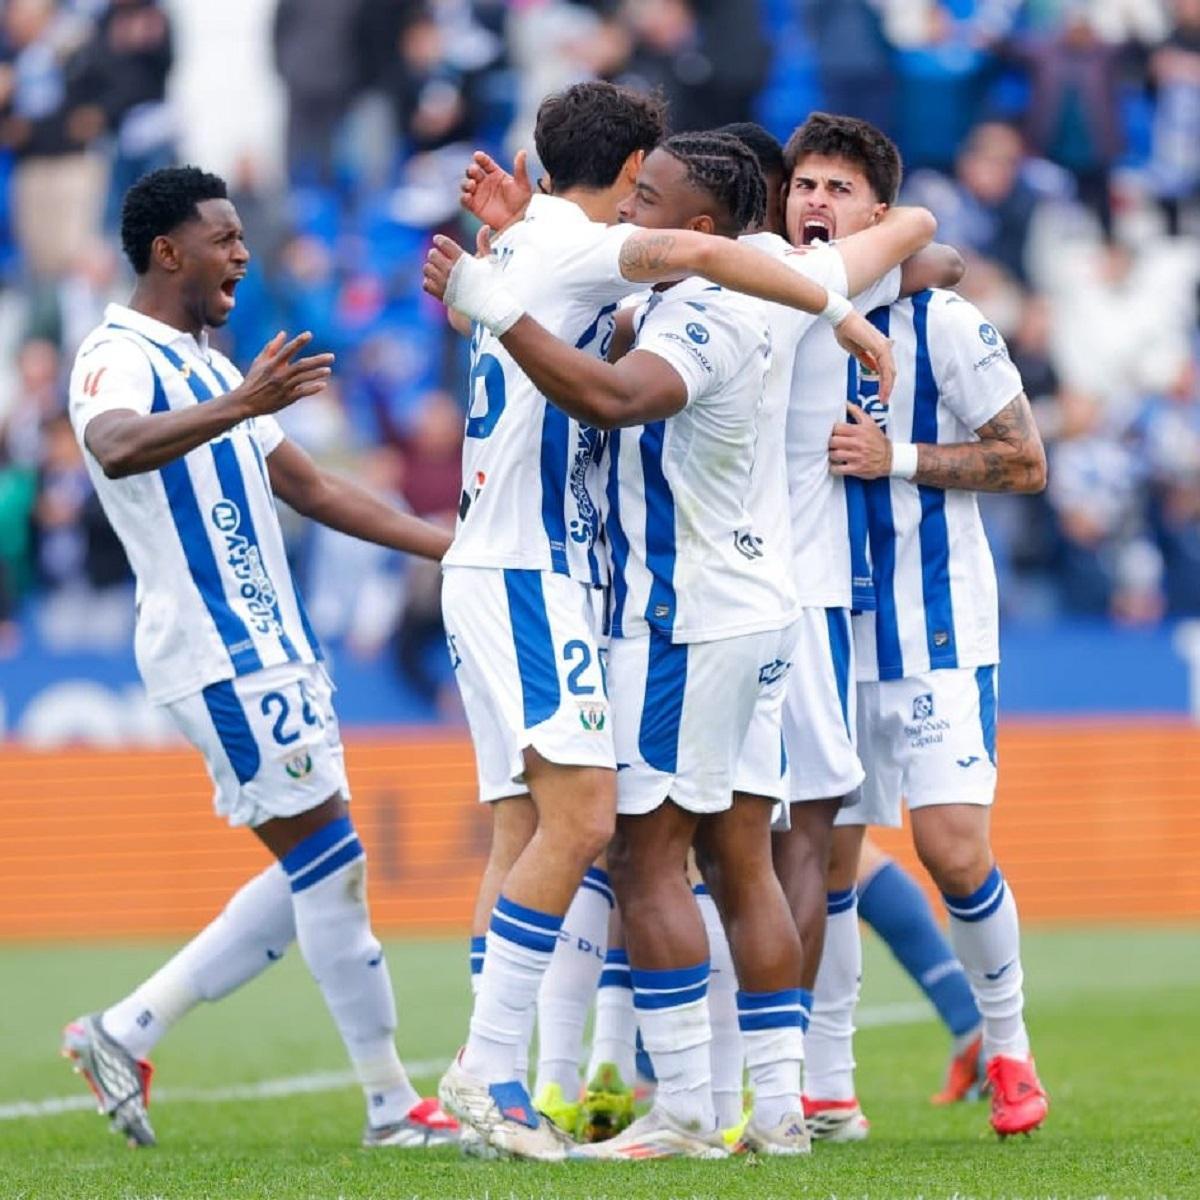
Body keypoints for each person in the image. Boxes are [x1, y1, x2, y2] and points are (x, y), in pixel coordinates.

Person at [429, 81, 893, 1163]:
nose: (639, 211)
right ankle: (733, 1100)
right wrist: (832, 302)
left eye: (659, 200)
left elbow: (623, 389)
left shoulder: (657, 283)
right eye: (635, 188)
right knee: (655, 842)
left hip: (676, 607)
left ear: (687, 218)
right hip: (609, 583)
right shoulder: (595, 258)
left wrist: (496, 281)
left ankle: (645, 1095)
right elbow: (698, 267)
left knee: (622, 847)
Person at [59, 165, 457, 1151]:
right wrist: (240, 404)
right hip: (217, 649)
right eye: (224, 238)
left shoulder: (207, 366)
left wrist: (453, 548)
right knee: (333, 865)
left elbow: (317, 490)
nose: (243, 253)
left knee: (322, 867)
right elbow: (112, 445)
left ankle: (124, 1030)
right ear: (167, 251)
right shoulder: (118, 354)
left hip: (277, 647)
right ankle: (389, 1105)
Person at [821, 253, 1051, 1140]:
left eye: (842, 187)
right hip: (822, 630)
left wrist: (898, 458)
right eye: (807, 183)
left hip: (936, 632)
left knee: (952, 852)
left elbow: (1023, 460)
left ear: (877, 213)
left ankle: (1005, 1043)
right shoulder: (779, 307)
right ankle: (830, 1089)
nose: (820, 199)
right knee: (827, 860)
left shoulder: (943, 320)